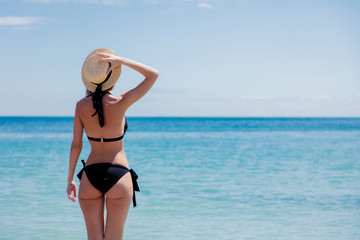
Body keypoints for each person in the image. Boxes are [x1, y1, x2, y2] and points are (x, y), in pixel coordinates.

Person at [66, 48, 159, 240]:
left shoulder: (80, 106)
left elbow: (76, 145)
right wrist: (122, 61)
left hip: (90, 176)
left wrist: (70, 180)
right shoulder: (121, 101)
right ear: (113, 79)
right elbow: (153, 75)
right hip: (119, 175)